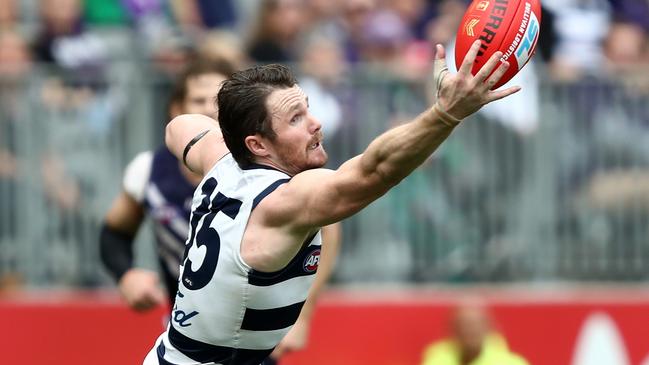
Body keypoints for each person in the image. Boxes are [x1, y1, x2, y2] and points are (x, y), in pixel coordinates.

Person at [143, 40, 520, 365]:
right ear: (257, 145)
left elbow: (180, 126)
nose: (316, 123)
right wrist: (446, 113)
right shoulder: (282, 202)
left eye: (307, 108)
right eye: (295, 118)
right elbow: (375, 171)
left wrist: (230, 139)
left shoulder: (221, 161)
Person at [420, 301, 530, 365]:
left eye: (475, 325)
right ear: (453, 330)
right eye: (463, 325)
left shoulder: (511, 363)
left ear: (488, 328)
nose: (469, 331)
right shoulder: (437, 358)